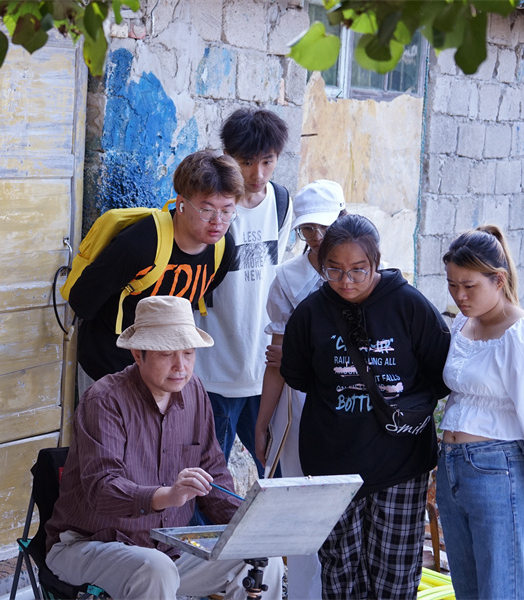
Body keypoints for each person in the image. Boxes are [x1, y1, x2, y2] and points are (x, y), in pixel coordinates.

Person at [45, 295, 284, 600]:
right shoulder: (104, 400)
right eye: (167, 354)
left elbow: (213, 475)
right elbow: (101, 489)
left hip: (168, 549)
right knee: (155, 569)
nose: (180, 367)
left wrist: (252, 526)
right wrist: (168, 496)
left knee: (262, 558)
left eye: (188, 353)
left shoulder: (194, 391)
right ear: (138, 354)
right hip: (89, 545)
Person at [280, 214, 451, 599]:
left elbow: (440, 375)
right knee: (340, 572)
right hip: (333, 467)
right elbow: (298, 375)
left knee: (394, 575)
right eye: (334, 270)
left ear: (376, 262)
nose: (346, 281)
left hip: (400, 464)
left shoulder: (409, 305)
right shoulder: (310, 313)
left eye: (358, 269)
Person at [437, 226, 524, 599]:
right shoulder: (463, 324)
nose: (459, 295)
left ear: (498, 280)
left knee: (502, 592)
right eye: (452, 285)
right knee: (468, 590)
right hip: (451, 469)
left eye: (469, 286)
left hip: (498, 473)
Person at [69, 150, 239, 387]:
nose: (217, 222)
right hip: (109, 371)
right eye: (207, 210)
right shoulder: (140, 244)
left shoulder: (224, 248)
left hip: (167, 375)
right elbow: (82, 301)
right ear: (181, 204)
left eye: (227, 211)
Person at [253, 179, 346, 600]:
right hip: (300, 407)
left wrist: (299, 352)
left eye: (324, 226)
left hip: (350, 407)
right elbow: (276, 361)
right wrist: (263, 422)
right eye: (308, 228)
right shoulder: (288, 278)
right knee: (302, 512)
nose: (317, 236)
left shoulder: (363, 271)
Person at [192, 108, 291, 472]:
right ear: (227, 157)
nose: (258, 174)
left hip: (264, 373)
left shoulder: (282, 204)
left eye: (267, 161)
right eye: (246, 162)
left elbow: (275, 282)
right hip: (213, 373)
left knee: (280, 473)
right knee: (208, 480)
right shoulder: (212, 211)